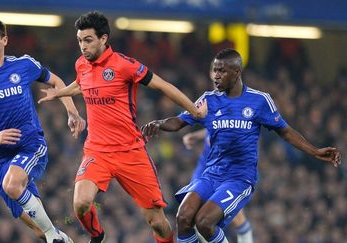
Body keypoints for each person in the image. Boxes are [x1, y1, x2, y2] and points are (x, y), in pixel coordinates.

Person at [38, 11, 207, 243]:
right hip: (97, 151)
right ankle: (98, 237)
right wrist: (60, 93)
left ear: (103, 39)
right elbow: (81, 84)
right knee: (81, 204)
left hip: (130, 152)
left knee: (157, 222)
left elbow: (163, 86)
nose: (82, 46)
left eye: (88, 40)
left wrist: (195, 111)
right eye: (79, 41)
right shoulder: (82, 65)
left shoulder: (124, 65)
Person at [141, 48, 341, 243]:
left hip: (239, 178)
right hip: (212, 174)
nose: (216, 76)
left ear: (236, 73)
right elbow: (179, 122)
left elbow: (286, 132)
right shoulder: (209, 99)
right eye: (215, 70)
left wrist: (315, 151)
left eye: (222, 71)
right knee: (183, 217)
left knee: (204, 222)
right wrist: (159, 123)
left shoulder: (259, 101)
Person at [0, 18, 85, 243]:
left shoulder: (24, 65)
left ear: (4, 40)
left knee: (13, 185)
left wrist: (71, 111)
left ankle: (55, 236)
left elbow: (56, 82)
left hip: (30, 145)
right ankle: (61, 238)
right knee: (38, 230)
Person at [182, 129, 253, 243]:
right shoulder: (216, 115)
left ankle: (246, 238)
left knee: (235, 216)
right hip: (204, 169)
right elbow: (212, 126)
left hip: (227, 172)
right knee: (192, 214)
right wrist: (196, 135)